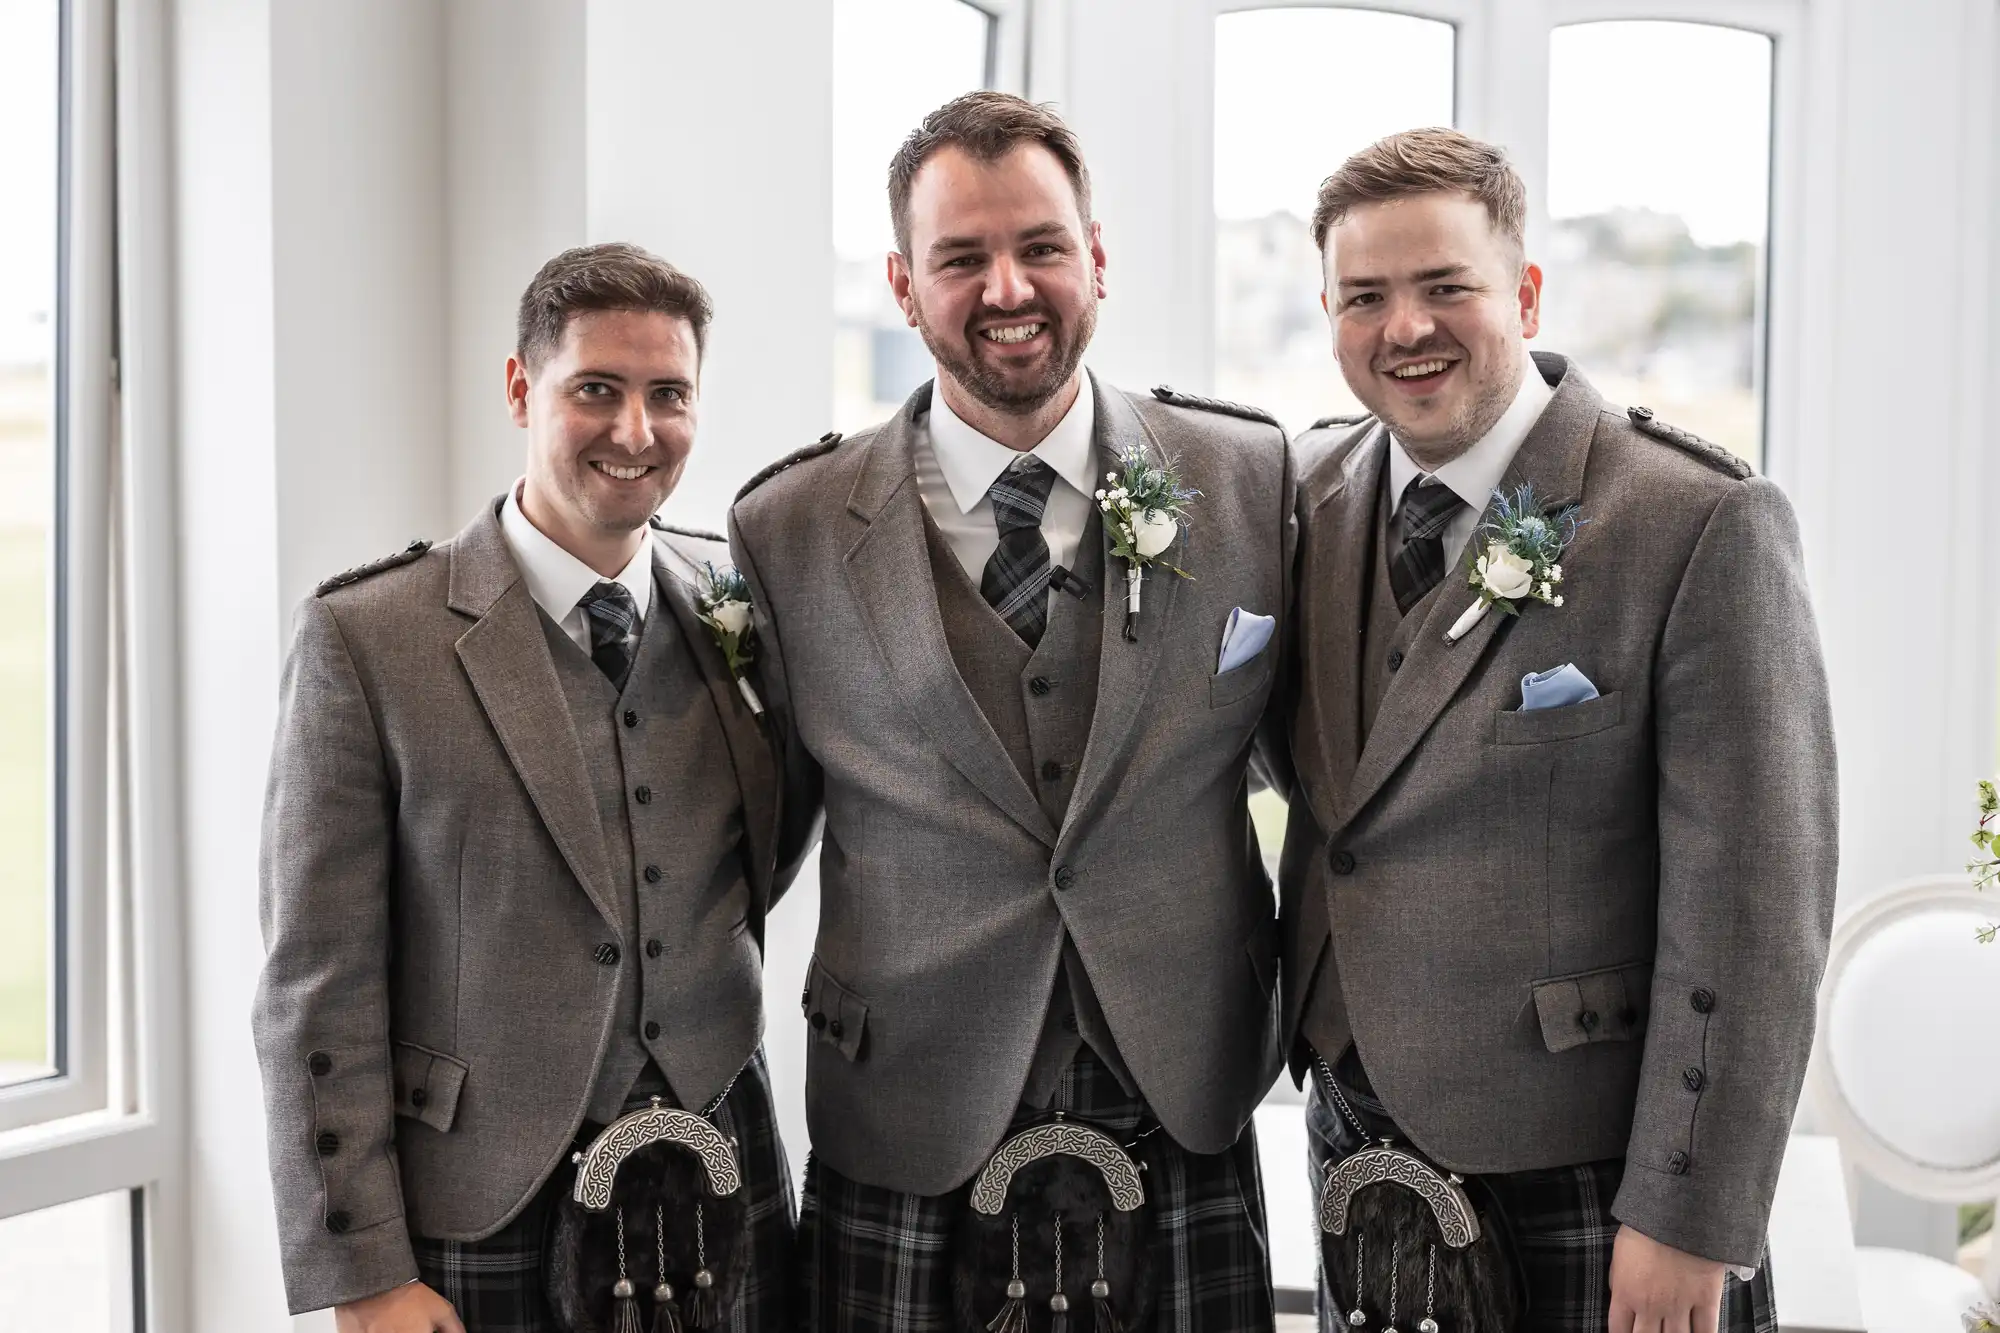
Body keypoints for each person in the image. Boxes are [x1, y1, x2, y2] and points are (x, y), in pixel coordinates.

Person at [729, 92, 1294, 1331]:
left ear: (1096, 253)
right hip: (905, 1114)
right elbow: (744, 850)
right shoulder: (788, 526)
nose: (1007, 288)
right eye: (960, 257)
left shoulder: (1249, 478)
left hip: (1181, 1096)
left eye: (1039, 246)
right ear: (899, 281)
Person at [1279, 127, 1836, 1332]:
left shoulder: (1696, 520)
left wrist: (1689, 1213)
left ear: (1523, 291)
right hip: (1356, 1140)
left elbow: (1754, 909)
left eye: (1445, 287)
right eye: (1363, 297)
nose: (1404, 328)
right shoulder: (1307, 501)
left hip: (1598, 1174)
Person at [254, 243, 801, 1333]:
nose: (634, 431)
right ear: (521, 388)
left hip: (721, 1163)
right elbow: (316, 983)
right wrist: (361, 1269)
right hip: (484, 1196)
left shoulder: (741, 606)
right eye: (595, 388)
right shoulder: (368, 637)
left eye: (668, 394)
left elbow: (767, 854)